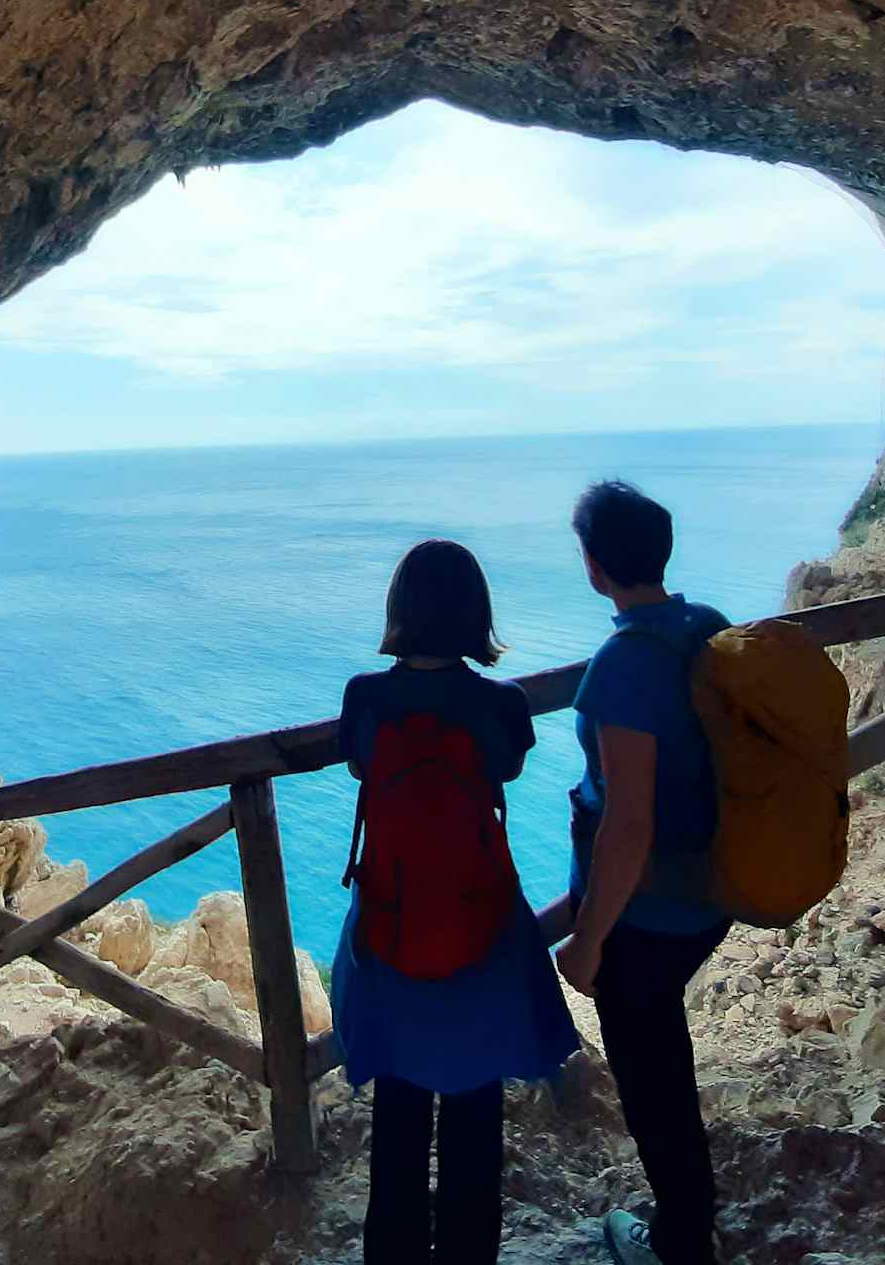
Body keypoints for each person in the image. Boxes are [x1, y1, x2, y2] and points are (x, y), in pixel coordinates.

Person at [330, 538, 580, 1265]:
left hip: (392, 925)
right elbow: (507, 764)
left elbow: (356, 762)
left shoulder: (363, 697)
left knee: (398, 1126)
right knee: (476, 1126)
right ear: (476, 614)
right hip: (483, 931)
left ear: (399, 613)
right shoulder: (499, 705)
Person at [553, 480, 733, 1265]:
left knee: (652, 1082)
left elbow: (628, 822)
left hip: (648, 912)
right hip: (710, 886)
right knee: (666, 1053)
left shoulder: (623, 666)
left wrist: (588, 942)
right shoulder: (708, 627)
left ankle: (681, 1242)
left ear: (594, 566)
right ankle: (690, 1217)